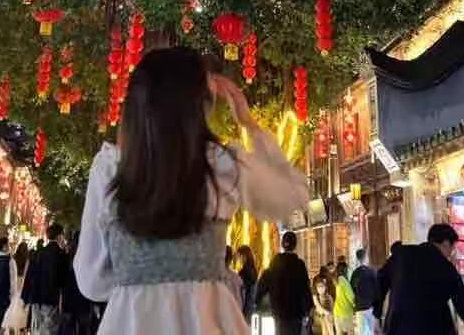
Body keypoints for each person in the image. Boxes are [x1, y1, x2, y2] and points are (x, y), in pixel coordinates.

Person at [74, 47, 308, 335]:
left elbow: (91, 281)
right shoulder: (222, 165)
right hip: (208, 322)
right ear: (198, 108)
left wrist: (139, 279)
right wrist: (248, 124)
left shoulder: (111, 170)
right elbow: (291, 195)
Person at [375, 223, 464, 335]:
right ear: (445, 244)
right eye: (452, 248)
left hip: (397, 328)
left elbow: (380, 280)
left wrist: (377, 314)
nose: (450, 254)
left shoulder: (401, 255)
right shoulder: (445, 267)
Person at [256, 231, 312, 335]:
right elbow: (305, 288)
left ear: (282, 244)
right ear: (295, 245)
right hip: (296, 313)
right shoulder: (299, 265)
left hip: (278, 312)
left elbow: (263, 283)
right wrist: (308, 309)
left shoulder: (274, 264)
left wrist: (257, 301)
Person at [22, 224, 68, 335]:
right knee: (49, 329)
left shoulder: (38, 253)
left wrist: (25, 297)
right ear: (59, 236)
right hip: (51, 299)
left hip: (36, 298)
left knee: (37, 329)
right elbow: (64, 280)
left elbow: (29, 276)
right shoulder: (61, 255)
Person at [60, 233, 92, 335]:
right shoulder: (88, 257)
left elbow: (62, 280)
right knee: (83, 328)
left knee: (68, 328)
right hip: (84, 298)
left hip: (69, 298)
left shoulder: (67, 256)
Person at [2, 241, 30, 333]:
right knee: (21, 312)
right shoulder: (27, 260)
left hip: (15, 283)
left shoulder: (14, 258)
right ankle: (19, 330)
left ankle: (11, 330)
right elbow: (26, 275)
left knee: (12, 309)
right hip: (22, 285)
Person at [350, 248, 377, 335]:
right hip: (370, 306)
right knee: (370, 331)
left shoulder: (355, 273)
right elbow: (376, 289)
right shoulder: (371, 271)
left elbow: (352, 289)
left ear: (357, 258)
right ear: (366, 258)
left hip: (359, 306)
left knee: (361, 331)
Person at [237, 245, 258, 321]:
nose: (239, 259)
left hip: (245, 307)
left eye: (239, 256)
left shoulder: (245, 271)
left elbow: (242, 290)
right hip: (250, 306)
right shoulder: (253, 269)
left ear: (244, 256)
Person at [334, 261, 355, 335]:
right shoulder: (344, 281)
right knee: (350, 333)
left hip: (337, 311)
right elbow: (351, 297)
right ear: (345, 270)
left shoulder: (336, 280)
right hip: (345, 312)